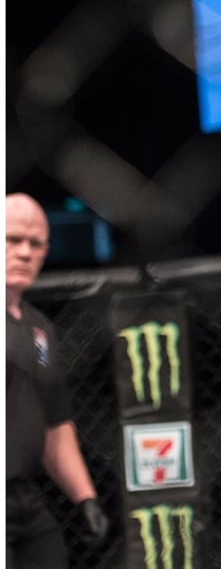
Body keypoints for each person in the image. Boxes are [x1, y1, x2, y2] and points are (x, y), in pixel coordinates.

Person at [7, 192, 110, 568]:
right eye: (13, 240)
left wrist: (85, 498)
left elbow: (55, 425)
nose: (24, 253)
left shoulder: (39, 331)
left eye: (35, 244)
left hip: (24, 500)